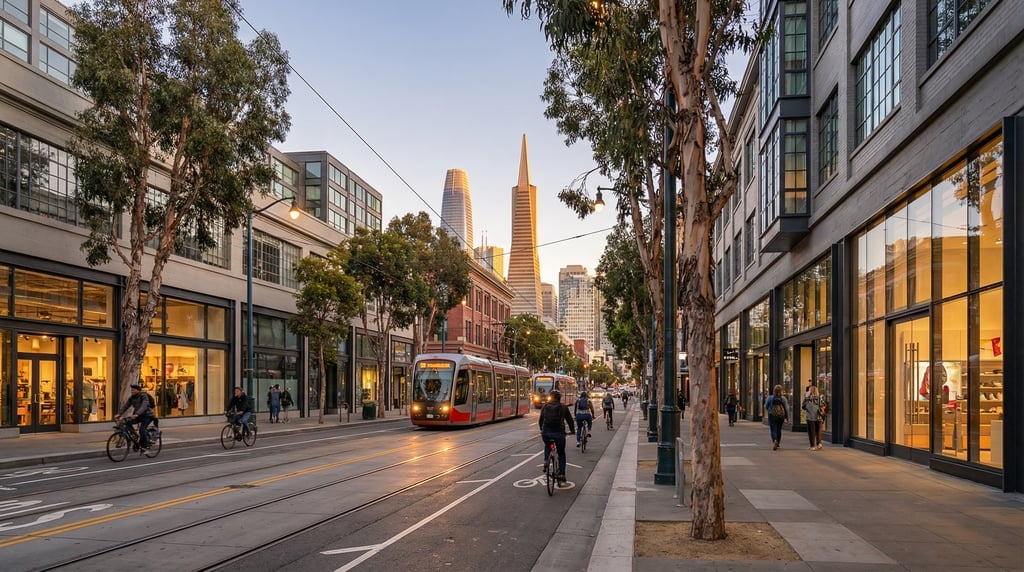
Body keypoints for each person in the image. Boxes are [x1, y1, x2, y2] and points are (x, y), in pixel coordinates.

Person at [539, 390, 575, 485]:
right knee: (561, 453)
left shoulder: (545, 406)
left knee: (548, 445)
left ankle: (546, 460)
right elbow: (570, 421)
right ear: (560, 398)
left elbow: (540, 420)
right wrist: (572, 431)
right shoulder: (563, 407)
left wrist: (542, 430)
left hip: (546, 433)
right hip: (559, 434)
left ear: (550, 397)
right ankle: (562, 474)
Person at [116, 383, 155, 455]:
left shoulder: (144, 396)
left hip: (147, 415)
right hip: (138, 415)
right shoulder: (132, 398)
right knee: (127, 422)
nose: (132, 391)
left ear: (138, 390)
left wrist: (137, 414)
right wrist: (119, 414)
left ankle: (145, 448)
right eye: (131, 390)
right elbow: (126, 406)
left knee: (142, 430)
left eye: (133, 390)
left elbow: (144, 405)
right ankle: (134, 435)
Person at [766, 384, 789, 450]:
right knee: (779, 429)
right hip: (781, 416)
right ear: (781, 391)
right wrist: (787, 417)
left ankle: (775, 440)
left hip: (772, 415)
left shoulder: (770, 398)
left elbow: (766, 406)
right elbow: (786, 408)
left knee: (773, 429)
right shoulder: (783, 398)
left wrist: (770, 410)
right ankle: (778, 442)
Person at [803, 385, 824, 450]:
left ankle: (812, 446)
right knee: (818, 431)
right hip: (818, 417)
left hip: (810, 418)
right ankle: (819, 443)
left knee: (811, 432)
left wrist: (806, 397)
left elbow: (803, 406)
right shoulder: (819, 398)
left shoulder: (807, 399)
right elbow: (823, 405)